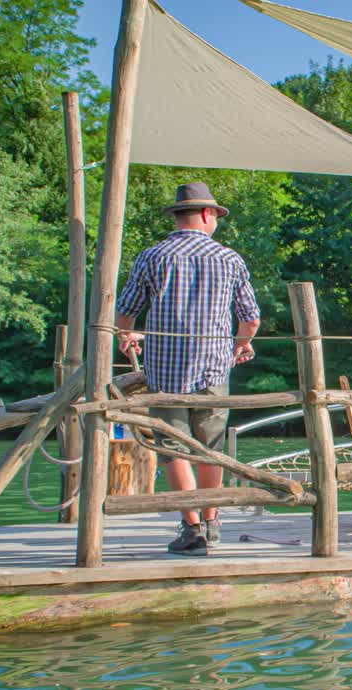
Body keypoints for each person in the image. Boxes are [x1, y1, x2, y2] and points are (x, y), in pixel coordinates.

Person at [115, 182, 260, 556]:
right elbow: (250, 317)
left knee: (174, 450)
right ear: (208, 214)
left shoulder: (152, 256)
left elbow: (126, 309)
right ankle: (211, 523)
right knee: (210, 447)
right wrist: (241, 343)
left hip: (164, 372)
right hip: (213, 370)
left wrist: (127, 337)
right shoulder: (230, 259)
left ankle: (191, 527)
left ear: (178, 216)